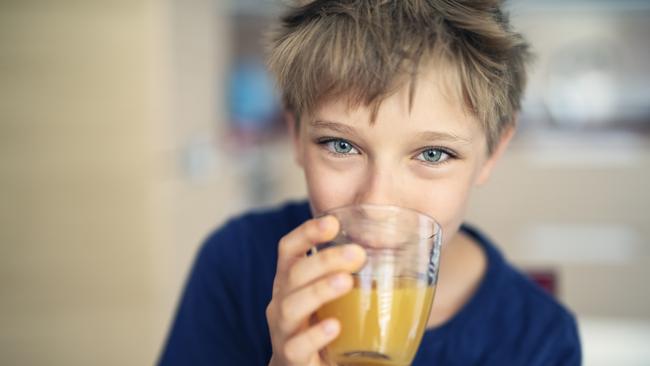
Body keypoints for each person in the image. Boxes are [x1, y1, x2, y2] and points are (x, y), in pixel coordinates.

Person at [159, 1, 582, 365]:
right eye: (341, 145)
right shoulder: (236, 263)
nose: (377, 202)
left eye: (432, 154)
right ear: (296, 138)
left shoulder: (541, 339)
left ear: (492, 152)